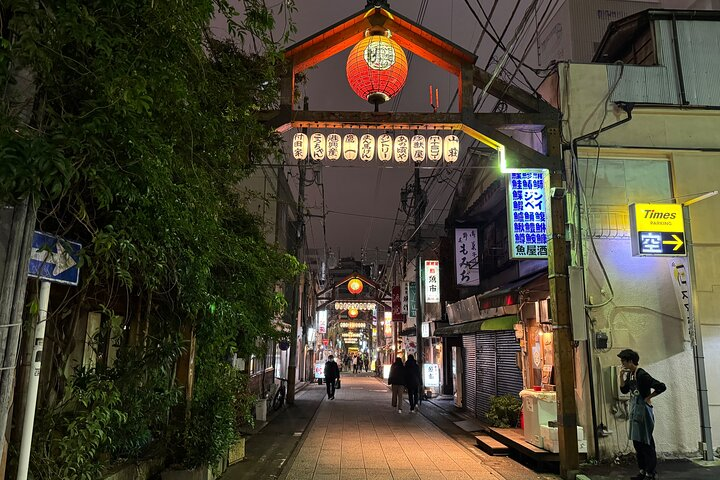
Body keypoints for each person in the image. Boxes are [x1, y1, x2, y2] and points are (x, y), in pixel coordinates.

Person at [618, 349, 667, 480]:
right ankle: (642, 470)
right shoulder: (630, 375)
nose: (622, 363)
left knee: (646, 441)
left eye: (623, 361)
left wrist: (648, 397)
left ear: (630, 361)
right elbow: (624, 390)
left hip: (644, 410)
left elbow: (661, 386)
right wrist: (621, 377)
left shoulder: (642, 375)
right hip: (635, 409)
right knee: (637, 442)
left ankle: (651, 472)